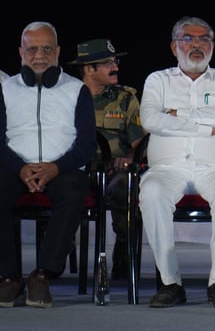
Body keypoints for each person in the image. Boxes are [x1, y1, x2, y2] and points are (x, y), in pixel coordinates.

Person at [138, 16, 215, 308]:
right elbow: (149, 119)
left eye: (204, 39)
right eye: (188, 38)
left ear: (212, 46)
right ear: (174, 47)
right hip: (167, 168)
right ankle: (170, 282)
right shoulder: (158, 80)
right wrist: (203, 124)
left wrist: (176, 115)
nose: (196, 45)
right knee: (152, 192)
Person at [0, 21, 96, 308]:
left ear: (57, 52)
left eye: (46, 48)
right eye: (32, 49)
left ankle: (42, 275)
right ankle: (9, 278)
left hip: (62, 169)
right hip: (14, 166)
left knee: (74, 191)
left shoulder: (77, 90)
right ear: (21, 52)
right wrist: (20, 167)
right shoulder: (5, 89)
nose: (39, 55)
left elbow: (87, 144)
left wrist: (55, 167)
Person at [67, 38, 145, 280]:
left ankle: (124, 251)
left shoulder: (125, 98)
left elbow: (140, 146)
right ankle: (57, 253)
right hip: (77, 168)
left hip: (114, 171)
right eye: (108, 63)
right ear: (89, 68)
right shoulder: (66, 97)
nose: (116, 67)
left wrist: (129, 158)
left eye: (115, 61)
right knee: (64, 187)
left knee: (125, 187)